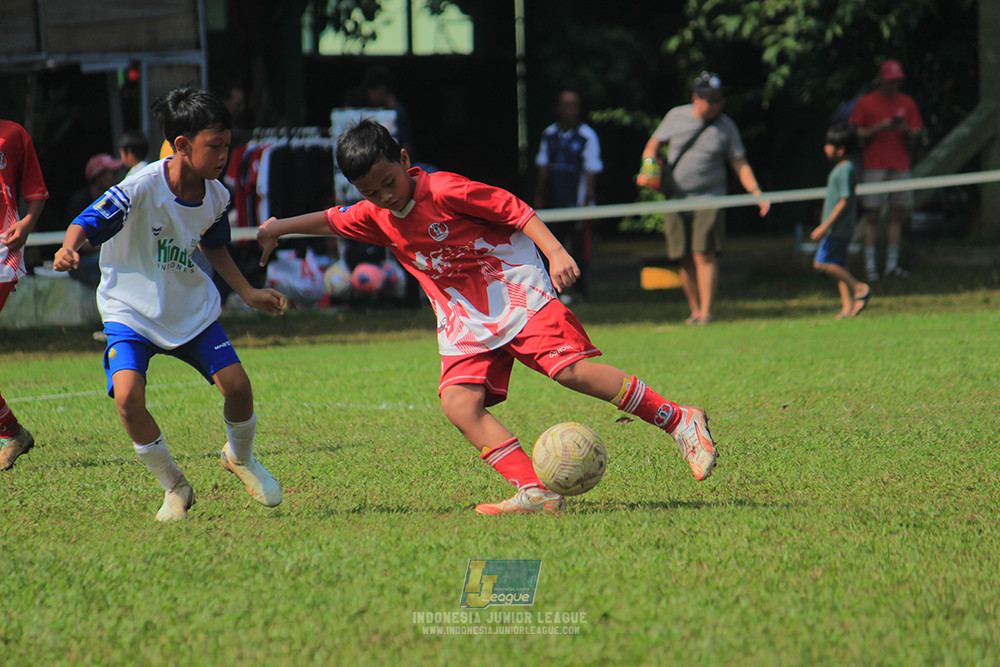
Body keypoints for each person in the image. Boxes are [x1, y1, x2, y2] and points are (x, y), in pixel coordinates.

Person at [257, 119, 717, 515]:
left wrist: (556, 252)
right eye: (369, 192)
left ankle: (679, 420)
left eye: (388, 183)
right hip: (465, 317)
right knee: (459, 405)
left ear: (404, 158)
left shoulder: (445, 189)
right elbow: (328, 219)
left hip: (515, 291)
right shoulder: (375, 214)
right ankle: (533, 489)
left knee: (570, 371)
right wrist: (276, 226)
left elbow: (514, 208)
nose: (383, 197)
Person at [52, 84, 287, 521]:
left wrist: (247, 292)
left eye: (227, 146)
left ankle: (239, 457)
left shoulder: (217, 195)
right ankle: (175, 486)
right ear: (182, 145)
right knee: (127, 399)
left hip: (188, 309)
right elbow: (84, 222)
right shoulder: (140, 186)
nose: (223, 156)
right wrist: (69, 248)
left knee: (238, 387)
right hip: (130, 311)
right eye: (214, 146)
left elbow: (216, 246)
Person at [638, 71, 769, 325]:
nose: (716, 105)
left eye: (720, 100)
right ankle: (695, 311)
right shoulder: (676, 116)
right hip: (676, 198)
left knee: (704, 253)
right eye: (711, 100)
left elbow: (740, 164)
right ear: (695, 98)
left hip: (710, 198)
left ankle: (707, 313)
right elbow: (652, 146)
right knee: (683, 256)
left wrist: (756, 193)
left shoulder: (726, 126)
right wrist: (650, 168)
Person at [0, 118, 49, 471]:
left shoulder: (13, 134)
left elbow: (35, 191)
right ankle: (10, 431)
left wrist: (28, 224)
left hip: (2, 252)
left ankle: (10, 431)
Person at [848, 59, 924, 280]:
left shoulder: (907, 103)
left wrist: (904, 129)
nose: (893, 85)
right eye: (890, 81)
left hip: (900, 164)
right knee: (872, 215)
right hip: (874, 164)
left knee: (897, 214)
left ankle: (892, 265)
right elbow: (858, 133)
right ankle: (870, 267)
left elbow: (915, 135)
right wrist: (880, 126)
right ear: (881, 79)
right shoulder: (866, 102)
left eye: (897, 81)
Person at [534, 88, 603, 302]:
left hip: (578, 205)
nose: (570, 110)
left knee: (579, 251)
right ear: (558, 108)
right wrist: (540, 200)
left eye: (574, 105)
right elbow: (543, 170)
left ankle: (581, 293)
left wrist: (586, 203)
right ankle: (551, 292)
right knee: (551, 248)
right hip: (555, 204)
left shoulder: (587, 136)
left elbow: (591, 171)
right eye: (566, 105)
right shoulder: (549, 134)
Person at [810, 123, 871, 319]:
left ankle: (859, 288)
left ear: (841, 150)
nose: (825, 148)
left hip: (837, 229)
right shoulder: (844, 168)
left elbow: (844, 201)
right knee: (840, 267)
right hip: (840, 228)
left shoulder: (844, 170)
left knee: (822, 263)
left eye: (829, 144)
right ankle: (847, 309)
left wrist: (824, 226)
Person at [65, 153, 124, 288]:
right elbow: (82, 244)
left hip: (103, 256)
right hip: (81, 262)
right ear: (99, 176)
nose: (117, 177)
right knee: (111, 261)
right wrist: (111, 247)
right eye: (112, 172)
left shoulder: (115, 202)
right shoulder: (80, 201)